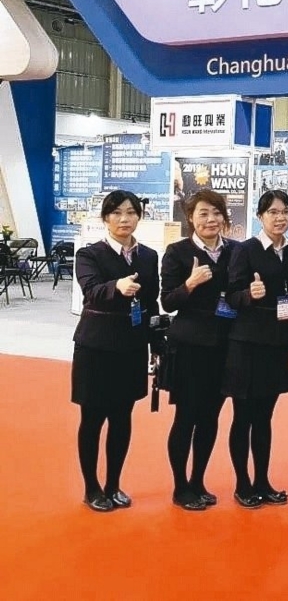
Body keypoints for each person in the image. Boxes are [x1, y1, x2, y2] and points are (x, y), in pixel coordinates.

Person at [72, 190, 162, 512]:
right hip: (95, 347)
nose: (124, 219)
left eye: (131, 212)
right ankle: (91, 487)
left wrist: (157, 346)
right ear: (105, 218)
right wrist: (117, 287)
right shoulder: (89, 254)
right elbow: (92, 291)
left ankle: (113, 484)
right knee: (93, 417)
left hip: (131, 347)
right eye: (117, 213)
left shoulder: (149, 256)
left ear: (139, 216)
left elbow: (152, 303)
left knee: (122, 417)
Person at [222, 190, 288, 509]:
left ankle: (262, 481)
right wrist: (249, 294)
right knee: (244, 416)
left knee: (265, 417)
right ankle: (243, 483)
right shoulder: (245, 250)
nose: (280, 217)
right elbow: (229, 296)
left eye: (286, 212)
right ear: (260, 216)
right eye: (273, 212)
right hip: (246, 344)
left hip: (278, 344)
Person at [161, 189, 237, 511]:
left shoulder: (235, 251)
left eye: (216, 213)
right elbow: (168, 301)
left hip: (225, 348)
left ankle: (198, 481)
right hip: (190, 348)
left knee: (210, 418)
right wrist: (189, 284)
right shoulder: (177, 252)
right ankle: (181, 486)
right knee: (186, 417)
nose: (211, 219)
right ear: (191, 217)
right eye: (203, 213)